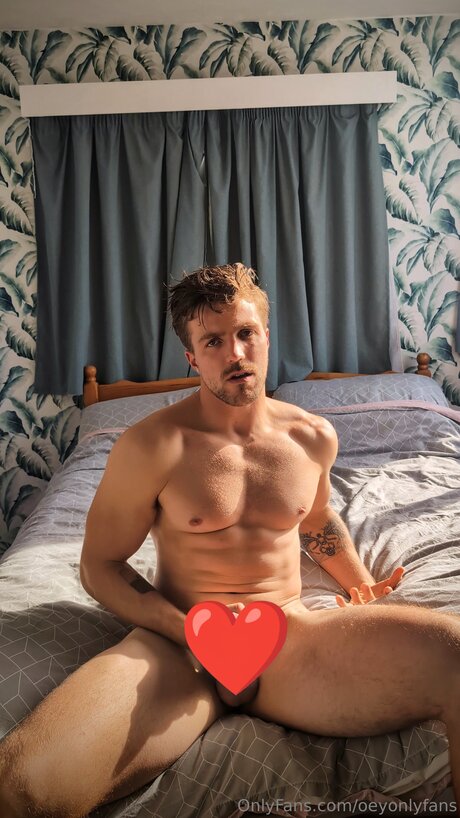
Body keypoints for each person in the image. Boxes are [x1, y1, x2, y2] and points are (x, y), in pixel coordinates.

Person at [0, 263, 458, 818]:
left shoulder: (312, 436)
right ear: (192, 357)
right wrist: (189, 633)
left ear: (266, 335)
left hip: (289, 636)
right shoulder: (152, 445)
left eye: (245, 333)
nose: (235, 353)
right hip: (179, 650)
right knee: (24, 786)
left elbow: (316, 519)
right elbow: (100, 565)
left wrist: (361, 587)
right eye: (213, 341)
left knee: (455, 656)